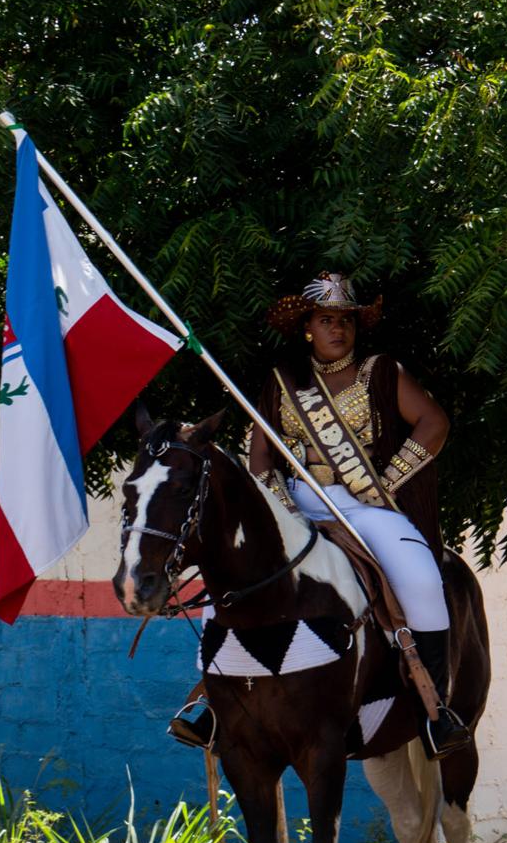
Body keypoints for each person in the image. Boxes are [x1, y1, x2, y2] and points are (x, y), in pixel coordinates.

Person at [168, 272, 472, 757]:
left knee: (420, 579)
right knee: (228, 578)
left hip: (366, 506)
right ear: (307, 328)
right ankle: (212, 705)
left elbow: (433, 423)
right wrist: (281, 508)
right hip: (292, 504)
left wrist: (386, 482)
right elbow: (261, 456)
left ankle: (433, 711)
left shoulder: (381, 371)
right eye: (326, 319)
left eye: (346, 320)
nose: (338, 328)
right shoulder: (282, 383)